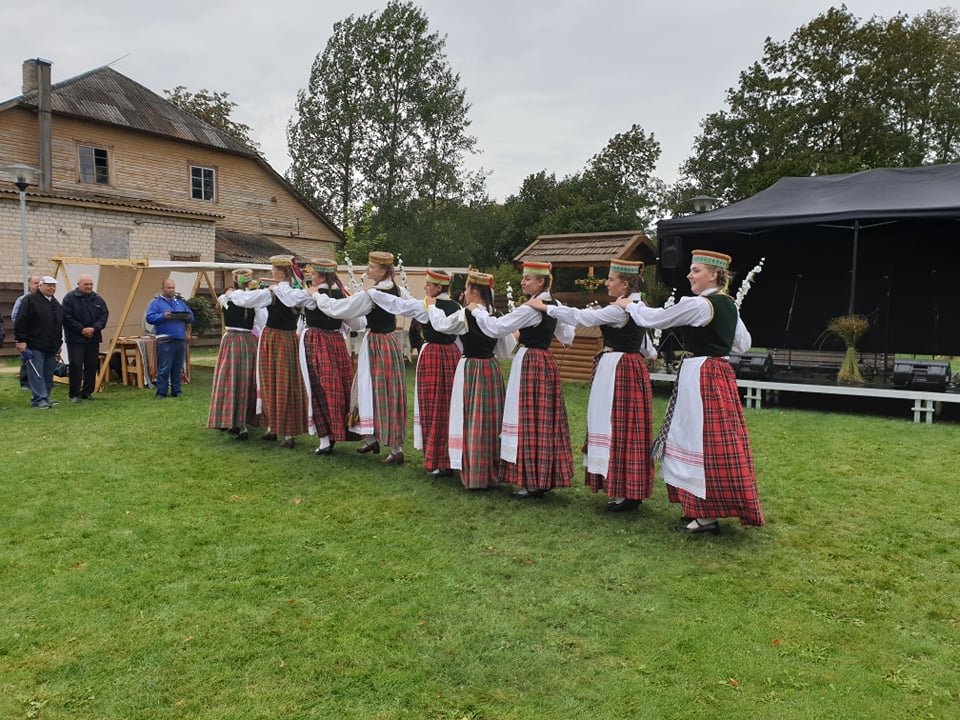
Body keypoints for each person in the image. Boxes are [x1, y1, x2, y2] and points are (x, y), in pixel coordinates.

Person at [617, 249, 765, 533]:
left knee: (698, 439)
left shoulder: (700, 305)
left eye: (696, 270)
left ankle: (706, 514)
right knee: (704, 438)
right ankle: (699, 506)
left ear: (714, 275)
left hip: (701, 375)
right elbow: (742, 344)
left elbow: (657, 320)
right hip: (718, 372)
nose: (689, 275)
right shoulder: (728, 304)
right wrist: (717, 340)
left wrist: (631, 307)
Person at [528, 259, 657, 512]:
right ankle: (627, 487)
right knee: (626, 425)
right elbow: (645, 344)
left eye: (611, 279)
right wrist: (649, 353)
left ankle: (625, 489)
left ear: (625, 284)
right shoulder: (637, 306)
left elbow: (583, 317)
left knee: (615, 424)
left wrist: (546, 308)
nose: (606, 283)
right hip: (630, 367)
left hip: (618, 369)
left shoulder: (619, 310)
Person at [468, 260, 575, 498]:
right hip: (545, 361)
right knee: (543, 419)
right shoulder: (554, 305)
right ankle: (542, 476)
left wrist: (476, 311)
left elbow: (497, 328)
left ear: (541, 281)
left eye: (528, 279)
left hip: (529, 363)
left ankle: (530, 479)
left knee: (526, 418)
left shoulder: (530, 309)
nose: (523, 282)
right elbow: (568, 336)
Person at [311, 251, 407, 465]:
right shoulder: (397, 289)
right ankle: (372, 438)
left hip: (377, 345)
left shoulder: (373, 294)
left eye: (371, 267)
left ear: (383, 271)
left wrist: (317, 296)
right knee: (372, 390)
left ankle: (394, 448)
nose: (367, 270)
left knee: (377, 391)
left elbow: (339, 309)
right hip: (388, 343)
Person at [424, 270, 514, 490]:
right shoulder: (496, 315)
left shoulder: (466, 313)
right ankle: (489, 470)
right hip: (490, 369)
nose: (464, 293)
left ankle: (473, 471)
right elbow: (506, 350)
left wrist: (432, 306)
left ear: (474, 291)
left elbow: (442, 325)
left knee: (469, 418)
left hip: (471, 368)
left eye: (466, 289)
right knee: (489, 420)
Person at [368, 268, 462, 475]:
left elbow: (399, 305)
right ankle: (447, 458)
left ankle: (437, 460)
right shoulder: (457, 306)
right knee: (448, 406)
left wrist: (374, 294)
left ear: (438, 287)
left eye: (429, 284)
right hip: (452, 356)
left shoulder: (428, 305)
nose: (425, 287)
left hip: (433, 357)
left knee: (433, 407)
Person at [229, 255, 310, 448]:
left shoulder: (272, 293)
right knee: (288, 383)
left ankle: (275, 428)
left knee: (270, 382)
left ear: (280, 273)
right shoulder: (299, 293)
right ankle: (283, 432)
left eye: (273, 270)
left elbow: (245, 300)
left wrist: (233, 293)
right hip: (290, 339)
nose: (272, 273)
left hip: (273, 339)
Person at [299, 258, 360, 456]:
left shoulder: (312, 295)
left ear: (321, 276)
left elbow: (290, 300)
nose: (311, 278)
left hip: (317, 342)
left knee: (319, 388)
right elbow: (357, 323)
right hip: (337, 343)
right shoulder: (341, 294)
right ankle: (356, 432)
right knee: (343, 386)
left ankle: (325, 439)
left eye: (313, 275)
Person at [207, 268, 265, 440]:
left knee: (230, 380)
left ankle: (233, 421)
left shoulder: (227, 297)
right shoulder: (253, 301)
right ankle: (240, 422)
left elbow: (220, 305)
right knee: (245, 381)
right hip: (247, 342)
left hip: (232, 341)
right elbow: (262, 322)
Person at [14, 275, 64, 409]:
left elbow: (58, 325)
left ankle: (45, 396)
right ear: (41, 286)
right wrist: (21, 341)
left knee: (48, 373)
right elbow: (21, 321)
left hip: (51, 345)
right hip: (34, 344)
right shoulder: (29, 300)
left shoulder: (55, 303)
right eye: (49, 286)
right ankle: (39, 399)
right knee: (37, 373)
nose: (51, 288)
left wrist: (59, 343)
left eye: (53, 286)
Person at [60, 274, 109, 402]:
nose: (89, 286)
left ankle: (87, 392)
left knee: (91, 366)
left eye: (91, 284)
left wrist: (94, 328)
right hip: (75, 339)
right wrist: (81, 329)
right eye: (86, 284)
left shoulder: (98, 299)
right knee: (76, 365)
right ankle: (74, 393)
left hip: (93, 338)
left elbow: (104, 316)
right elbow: (66, 317)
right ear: (79, 284)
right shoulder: (69, 298)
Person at [145, 278, 194, 399]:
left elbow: (191, 316)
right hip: (165, 340)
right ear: (162, 288)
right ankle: (161, 392)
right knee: (164, 368)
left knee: (177, 367)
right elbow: (149, 318)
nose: (171, 290)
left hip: (180, 339)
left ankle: (176, 391)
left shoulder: (180, 303)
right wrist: (163, 316)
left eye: (173, 288)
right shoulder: (156, 303)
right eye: (168, 288)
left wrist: (186, 317)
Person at [12, 275, 42, 390]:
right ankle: (25, 383)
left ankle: (41, 381)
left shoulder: (46, 300)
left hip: (41, 335)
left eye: (40, 283)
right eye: (35, 283)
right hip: (27, 335)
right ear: (29, 285)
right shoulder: (23, 299)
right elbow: (15, 317)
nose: (38, 285)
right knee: (26, 358)